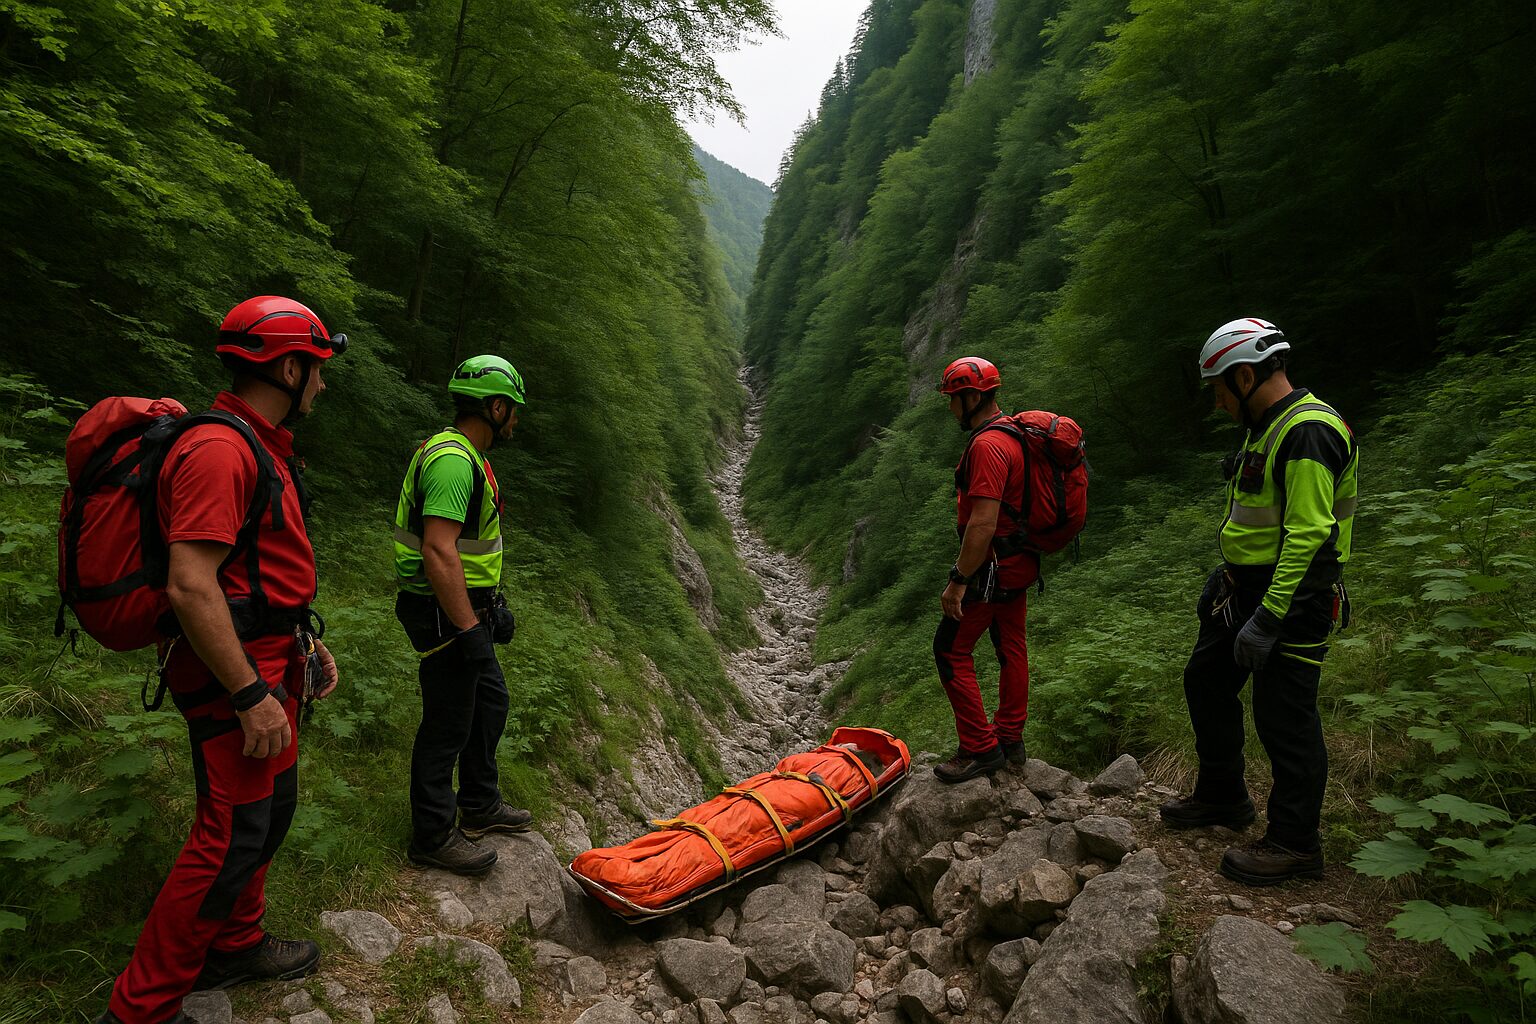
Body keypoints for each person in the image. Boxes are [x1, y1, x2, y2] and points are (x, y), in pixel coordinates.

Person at [101, 296, 344, 1024]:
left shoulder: (255, 443)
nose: (325, 386)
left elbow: (249, 572)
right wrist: (247, 693)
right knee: (229, 834)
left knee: (270, 813)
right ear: (290, 367)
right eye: (319, 370)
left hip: (271, 656)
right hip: (234, 674)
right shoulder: (220, 450)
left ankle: (236, 941)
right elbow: (190, 583)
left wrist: (302, 636)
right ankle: (140, 1008)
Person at [1160, 317, 1359, 886]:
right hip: (1244, 592)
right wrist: (1231, 576)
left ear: (1245, 377)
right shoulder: (1267, 427)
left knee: (1285, 721)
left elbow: (1310, 535)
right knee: (1205, 680)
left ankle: (1296, 844)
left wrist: (1269, 617)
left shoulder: (1307, 432)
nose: (1218, 402)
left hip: (1294, 598)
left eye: (1219, 389)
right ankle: (1223, 796)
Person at [392, 355, 532, 876]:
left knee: (489, 701)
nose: (515, 420)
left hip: (463, 605)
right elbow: (438, 550)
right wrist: (469, 628)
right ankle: (431, 834)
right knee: (447, 722)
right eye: (512, 409)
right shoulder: (453, 462)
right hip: (442, 609)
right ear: (495, 407)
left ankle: (479, 800)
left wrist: (491, 607)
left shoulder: (465, 455)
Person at [931, 356, 1038, 784]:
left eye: (953, 400)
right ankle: (1011, 739)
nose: (951, 409)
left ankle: (979, 747)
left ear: (972, 397)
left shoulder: (988, 447)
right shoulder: (1014, 435)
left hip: (990, 569)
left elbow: (983, 522)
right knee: (1011, 647)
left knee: (950, 649)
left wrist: (959, 580)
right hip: (1019, 564)